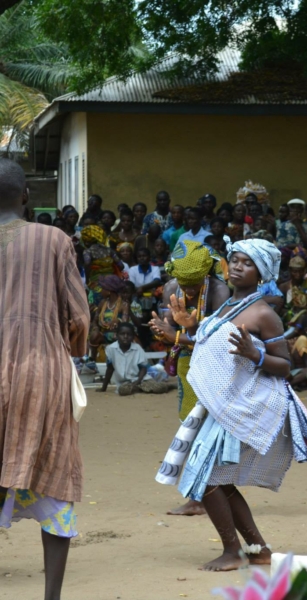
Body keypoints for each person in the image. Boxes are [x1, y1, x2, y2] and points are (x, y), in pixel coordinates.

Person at [155, 238, 307, 571]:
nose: (237, 266)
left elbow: (285, 366)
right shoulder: (226, 306)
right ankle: (258, 549)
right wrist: (184, 330)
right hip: (223, 403)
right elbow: (213, 341)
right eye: (234, 259)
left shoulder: (263, 312)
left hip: (247, 404)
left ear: (261, 272)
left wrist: (255, 354)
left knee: (208, 477)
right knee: (217, 478)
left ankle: (232, 552)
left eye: (247, 263)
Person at [0, 158, 89, 600]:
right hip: (41, 369)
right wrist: (71, 351)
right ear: (25, 196)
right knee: (55, 471)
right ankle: (51, 596)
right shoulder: (53, 239)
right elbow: (78, 316)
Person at [149, 240, 230, 517]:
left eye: (194, 284)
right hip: (188, 364)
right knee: (191, 426)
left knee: (209, 432)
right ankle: (202, 496)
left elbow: (218, 338)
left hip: (217, 367)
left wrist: (176, 334)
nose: (189, 289)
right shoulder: (172, 289)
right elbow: (170, 328)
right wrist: (163, 329)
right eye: (185, 283)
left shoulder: (219, 291)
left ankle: (203, 497)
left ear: (206, 275)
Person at [99, 322, 174, 396]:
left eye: (129, 334)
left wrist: (138, 381)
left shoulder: (137, 348)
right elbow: (110, 369)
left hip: (141, 380)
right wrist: (103, 388)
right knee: (123, 390)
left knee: (159, 388)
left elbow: (143, 368)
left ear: (133, 336)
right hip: (125, 383)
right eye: (122, 334)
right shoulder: (110, 349)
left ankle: (168, 386)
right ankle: (141, 389)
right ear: (117, 335)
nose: (125, 336)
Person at [88, 275, 130, 362]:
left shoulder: (123, 304)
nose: (101, 291)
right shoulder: (102, 303)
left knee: (116, 337)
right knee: (94, 335)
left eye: (103, 288)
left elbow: (125, 323)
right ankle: (92, 360)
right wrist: (95, 327)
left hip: (117, 334)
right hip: (104, 333)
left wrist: (118, 321)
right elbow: (95, 320)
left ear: (109, 291)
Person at [81, 224, 124, 306]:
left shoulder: (88, 251)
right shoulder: (109, 250)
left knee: (97, 306)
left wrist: (87, 280)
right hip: (112, 283)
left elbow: (87, 263)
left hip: (97, 283)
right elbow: (121, 266)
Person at [278, 256, 307, 326]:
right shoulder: (284, 287)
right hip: (289, 321)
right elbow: (279, 308)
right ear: (290, 271)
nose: (298, 275)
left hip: (306, 320)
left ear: (305, 270)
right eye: (295, 271)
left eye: (300, 271)